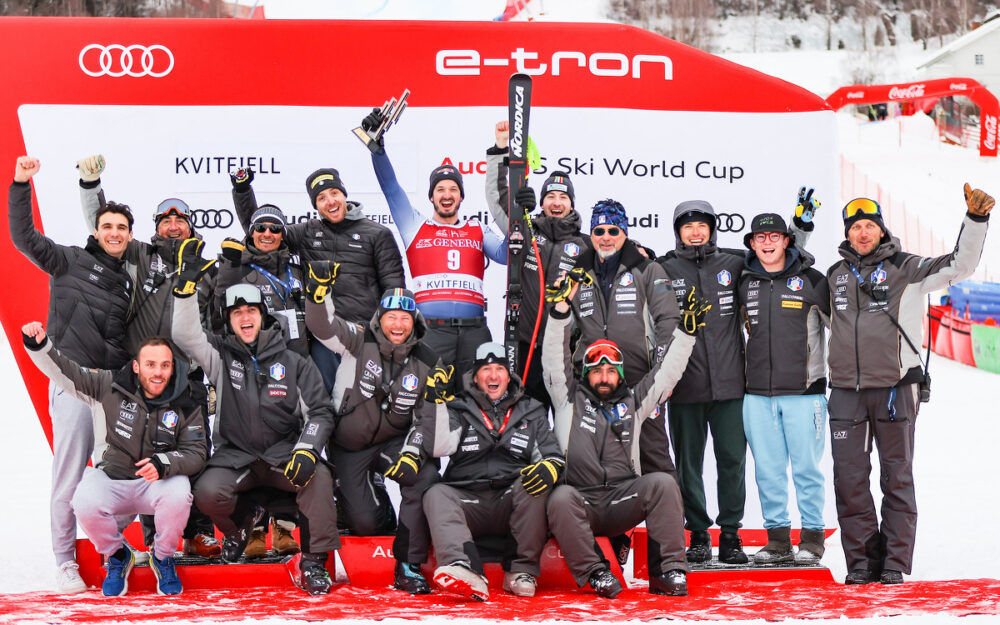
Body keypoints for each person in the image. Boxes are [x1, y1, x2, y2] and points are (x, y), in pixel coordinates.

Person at [826, 186, 992, 585]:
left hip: (896, 389)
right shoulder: (834, 275)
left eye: (870, 226)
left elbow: (960, 265)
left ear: (882, 230)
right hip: (846, 391)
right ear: (847, 233)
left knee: (895, 478)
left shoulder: (907, 267)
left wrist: (975, 220)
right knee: (849, 481)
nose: (863, 233)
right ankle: (862, 562)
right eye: (856, 227)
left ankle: (894, 563)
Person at [76, 155, 221, 560]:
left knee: (191, 451)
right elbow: (106, 227)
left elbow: (213, 328)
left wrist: (211, 380)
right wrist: (91, 185)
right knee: (140, 447)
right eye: (165, 220)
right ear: (156, 228)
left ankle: (197, 532)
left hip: (186, 376)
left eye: (180, 219)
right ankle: (154, 535)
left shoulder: (207, 268)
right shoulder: (141, 255)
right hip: (141, 375)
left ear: (191, 226)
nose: (173, 225)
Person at [170, 259, 339, 595]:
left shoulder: (294, 361)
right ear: (229, 321)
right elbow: (184, 335)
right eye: (236, 313)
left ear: (263, 316)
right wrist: (185, 292)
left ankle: (314, 562)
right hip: (237, 457)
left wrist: (307, 448)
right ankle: (240, 527)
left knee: (318, 477)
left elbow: (320, 411)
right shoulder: (220, 355)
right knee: (206, 491)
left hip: (283, 455)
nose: (244, 317)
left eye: (250, 310)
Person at [9, 156, 134, 593]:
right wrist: (22, 183)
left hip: (113, 392)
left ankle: (112, 551)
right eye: (108, 226)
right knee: (69, 477)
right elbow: (23, 237)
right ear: (96, 231)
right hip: (71, 385)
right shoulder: (67, 260)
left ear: (129, 235)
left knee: (123, 477)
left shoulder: (129, 282)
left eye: (122, 228)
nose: (114, 233)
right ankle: (65, 561)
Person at [541, 278, 708, 598]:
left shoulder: (632, 403)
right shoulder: (566, 399)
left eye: (610, 369)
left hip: (622, 501)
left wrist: (685, 334)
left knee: (662, 483)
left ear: (619, 373)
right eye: (597, 369)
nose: (604, 376)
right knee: (559, 498)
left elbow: (665, 374)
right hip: (581, 502)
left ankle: (667, 570)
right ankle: (596, 572)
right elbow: (553, 359)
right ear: (585, 372)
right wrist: (560, 311)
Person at [22, 325, 208, 596]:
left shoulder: (185, 400)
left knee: (179, 490)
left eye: (165, 365)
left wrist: (163, 463)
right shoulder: (109, 386)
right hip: (115, 482)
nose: (158, 372)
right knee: (83, 495)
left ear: (172, 368)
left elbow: (196, 451)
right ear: (136, 366)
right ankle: (118, 554)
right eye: (151, 364)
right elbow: (65, 372)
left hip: (152, 485)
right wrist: (40, 347)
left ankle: (163, 556)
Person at [304, 271, 443, 595]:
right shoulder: (359, 338)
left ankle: (408, 563)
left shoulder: (428, 361)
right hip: (350, 445)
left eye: (404, 318)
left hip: (392, 442)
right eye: (391, 316)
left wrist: (414, 453)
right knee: (365, 523)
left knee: (425, 477)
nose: (397, 324)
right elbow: (323, 326)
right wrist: (318, 294)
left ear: (415, 321)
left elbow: (425, 419)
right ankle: (369, 492)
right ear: (380, 319)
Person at [361, 108, 508, 386]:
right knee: (431, 402)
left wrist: (515, 218)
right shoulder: (415, 225)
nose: (447, 194)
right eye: (440, 189)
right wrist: (377, 150)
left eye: (453, 189)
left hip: (474, 331)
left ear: (461, 196)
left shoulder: (476, 227)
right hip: (432, 331)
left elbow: (505, 255)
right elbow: (391, 189)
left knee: (475, 402)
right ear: (431, 197)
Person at [229, 167, 405, 394]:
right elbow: (262, 233)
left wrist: (389, 335)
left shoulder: (377, 233)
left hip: (364, 336)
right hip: (323, 335)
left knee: (363, 404)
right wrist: (242, 189)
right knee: (326, 400)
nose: (330, 201)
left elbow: (394, 289)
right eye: (321, 198)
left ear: (344, 195)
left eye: (334, 193)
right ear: (315, 205)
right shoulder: (307, 232)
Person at [418, 342, 563, 601]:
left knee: (534, 484)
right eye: (486, 369)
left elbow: (552, 455)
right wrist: (436, 403)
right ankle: (463, 568)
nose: (493, 375)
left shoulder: (531, 409)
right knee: (436, 493)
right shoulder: (459, 407)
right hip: (468, 498)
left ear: (509, 376)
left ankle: (521, 571)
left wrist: (549, 468)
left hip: (511, 498)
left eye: (499, 369)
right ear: (475, 376)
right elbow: (441, 447)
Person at [213, 203, 306, 559]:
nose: (267, 234)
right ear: (250, 232)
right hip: (251, 369)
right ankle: (251, 530)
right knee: (252, 450)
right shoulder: (240, 269)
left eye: (276, 228)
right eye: (260, 227)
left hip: (294, 365)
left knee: (289, 445)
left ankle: (284, 526)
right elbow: (220, 313)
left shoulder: (299, 270)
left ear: (285, 234)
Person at [738, 213, 830, 565]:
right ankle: (777, 540)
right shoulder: (745, 282)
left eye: (774, 236)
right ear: (751, 243)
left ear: (786, 240)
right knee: (767, 469)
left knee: (807, 468)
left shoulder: (811, 281)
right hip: (757, 393)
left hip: (805, 394)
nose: (767, 243)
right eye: (760, 237)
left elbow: (842, 327)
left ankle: (812, 539)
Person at [568, 199, 679, 480]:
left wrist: (664, 373)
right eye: (600, 231)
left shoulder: (647, 269)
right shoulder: (578, 274)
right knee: (594, 456)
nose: (606, 237)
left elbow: (668, 321)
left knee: (653, 452)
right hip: (593, 381)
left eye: (614, 231)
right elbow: (565, 327)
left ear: (625, 233)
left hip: (640, 378)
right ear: (591, 235)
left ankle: (668, 520)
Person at [485, 120, 590, 407]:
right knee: (524, 426)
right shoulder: (526, 230)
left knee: (565, 430)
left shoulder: (585, 246)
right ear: (542, 202)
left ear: (572, 204)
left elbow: (616, 251)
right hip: (524, 345)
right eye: (550, 196)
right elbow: (497, 198)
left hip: (563, 352)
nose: (557, 202)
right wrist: (499, 150)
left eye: (563, 197)